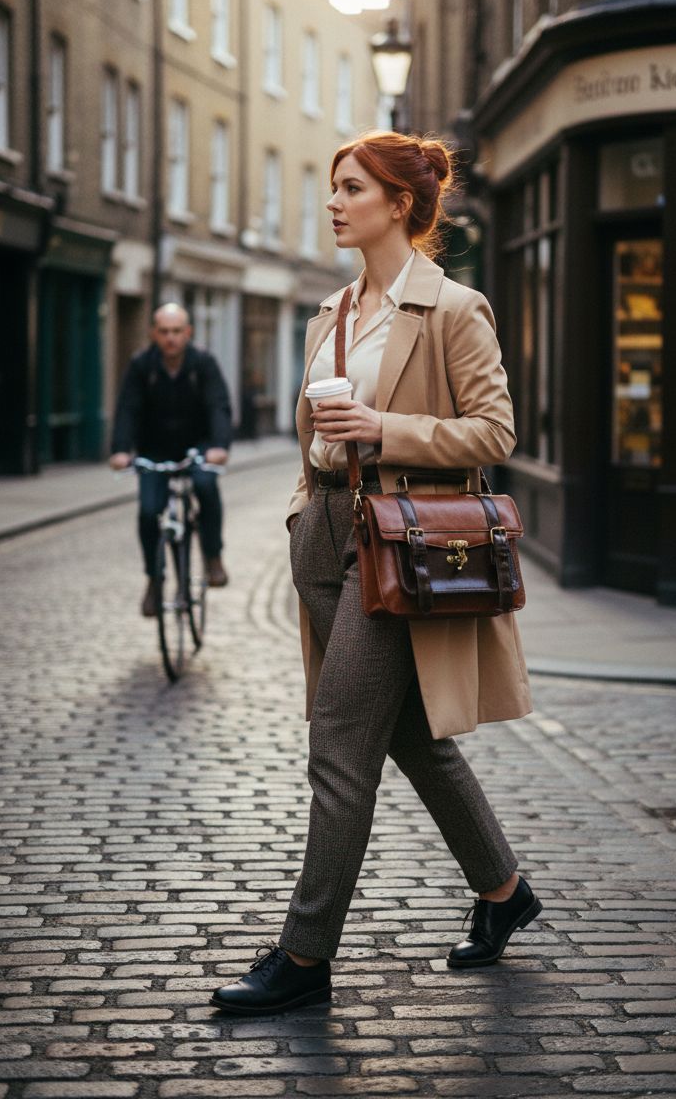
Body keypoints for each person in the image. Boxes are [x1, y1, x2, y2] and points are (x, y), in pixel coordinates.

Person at [211, 131, 539, 1018]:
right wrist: (306, 489)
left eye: (351, 188)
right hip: (321, 530)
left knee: (339, 750)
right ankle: (505, 893)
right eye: (332, 187)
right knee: (409, 736)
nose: (333, 202)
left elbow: (495, 433)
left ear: (399, 204)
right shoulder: (330, 311)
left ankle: (304, 956)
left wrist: (384, 429)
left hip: (398, 543)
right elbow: (316, 430)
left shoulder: (453, 307)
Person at [110, 303, 232, 616]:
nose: (170, 338)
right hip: (155, 451)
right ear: (154, 333)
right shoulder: (142, 366)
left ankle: (213, 557)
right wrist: (121, 450)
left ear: (188, 333)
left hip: (198, 446)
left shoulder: (202, 363)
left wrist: (219, 445)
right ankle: (154, 580)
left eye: (177, 331)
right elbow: (127, 409)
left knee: (206, 486)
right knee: (149, 511)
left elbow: (218, 405)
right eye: (164, 331)